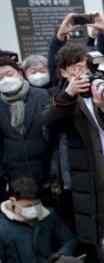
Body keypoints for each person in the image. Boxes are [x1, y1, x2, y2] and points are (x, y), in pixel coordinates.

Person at [41, 43, 104, 246]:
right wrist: (69, 94)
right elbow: (50, 123)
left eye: (85, 66)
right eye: (74, 68)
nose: (81, 73)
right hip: (97, 175)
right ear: (63, 73)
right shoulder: (62, 99)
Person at [0, 177, 77, 263]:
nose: (34, 210)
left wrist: (60, 257)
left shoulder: (49, 215)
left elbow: (70, 239)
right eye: (28, 206)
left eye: (37, 205)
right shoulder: (2, 227)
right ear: (13, 201)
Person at [0, 58, 55, 192]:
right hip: (15, 178)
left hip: (46, 173)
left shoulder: (42, 96)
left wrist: (55, 170)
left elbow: (55, 134)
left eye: (9, 74)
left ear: (19, 74)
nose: (5, 79)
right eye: (0, 77)